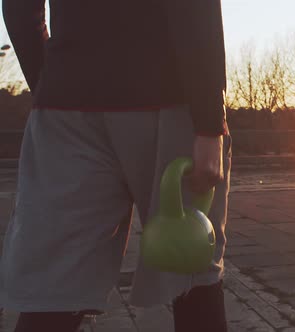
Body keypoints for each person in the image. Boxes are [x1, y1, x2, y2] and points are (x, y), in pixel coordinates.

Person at [0, 0, 231, 331]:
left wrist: (53, 82)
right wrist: (209, 123)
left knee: (55, 285)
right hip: (165, 95)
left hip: (67, 109)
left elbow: (21, 8)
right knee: (190, 266)